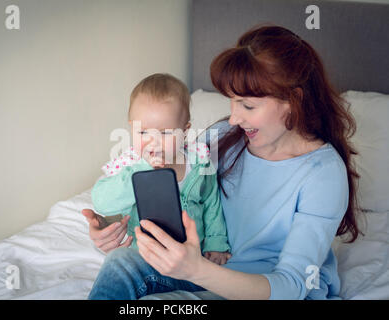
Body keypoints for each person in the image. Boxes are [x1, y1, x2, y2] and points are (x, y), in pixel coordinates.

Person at [83, 25, 361, 300]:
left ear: (293, 100)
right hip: (204, 267)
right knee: (120, 263)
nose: (233, 118)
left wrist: (196, 270)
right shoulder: (223, 138)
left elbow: (292, 286)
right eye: (231, 102)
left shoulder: (323, 174)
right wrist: (111, 223)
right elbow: (172, 182)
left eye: (247, 106)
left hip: (263, 289)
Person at [89, 73, 231, 267]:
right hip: (145, 255)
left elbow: (211, 204)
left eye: (165, 133)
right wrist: (141, 170)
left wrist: (216, 242)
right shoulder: (130, 164)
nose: (153, 141)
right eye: (143, 132)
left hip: (192, 257)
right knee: (117, 262)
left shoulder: (199, 162)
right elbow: (102, 202)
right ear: (131, 130)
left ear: (185, 130)